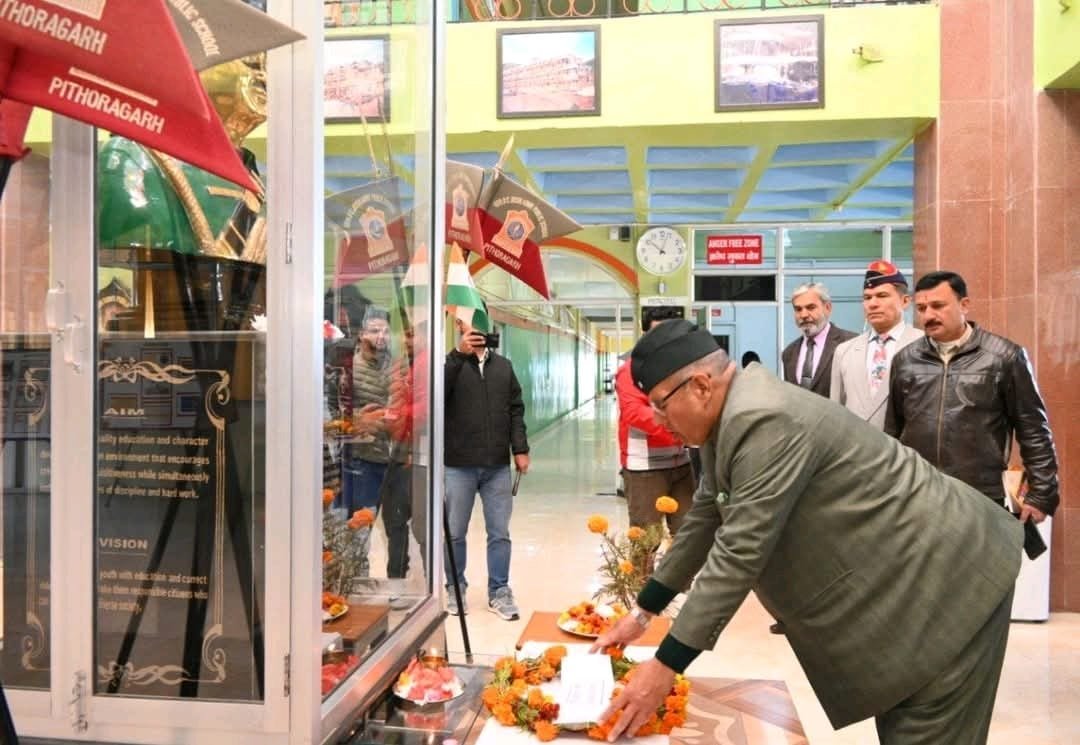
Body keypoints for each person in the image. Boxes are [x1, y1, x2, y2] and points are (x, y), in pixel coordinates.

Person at [591, 320, 1022, 745]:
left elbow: (739, 550)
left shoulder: (765, 418)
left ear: (701, 386)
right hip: (904, 585)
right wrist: (642, 613)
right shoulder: (726, 419)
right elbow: (706, 517)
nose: (657, 418)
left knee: (925, 730)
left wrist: (665, 665)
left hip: (948, 582)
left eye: (661, 404)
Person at [885, 271, 1059, 523]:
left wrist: (1041, 495)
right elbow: (892, 432)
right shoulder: (905, 360)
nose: (928, 315)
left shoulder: (1004, 357)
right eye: (921, 308)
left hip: (981, 496)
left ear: (964, 305)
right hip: (919, 494)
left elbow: (1034, 430)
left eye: (938, 306)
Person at [443, 315, 530, 620]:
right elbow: (437, 397)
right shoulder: (450, 365)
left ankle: (499, 591)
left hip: (497, 466)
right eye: (469, 327)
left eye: (480, 327)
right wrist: (458, 355)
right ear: (460, 329)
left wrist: (520, 449)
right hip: (459, 465)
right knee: (455, 532)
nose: (476, 333)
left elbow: (516, 410)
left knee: (499, 532)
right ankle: (455, 587)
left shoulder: (503, 367)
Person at [615, 306, 694, 535]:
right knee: (647, 540)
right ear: (645, 335)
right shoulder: (630, 370)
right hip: (645, 468)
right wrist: (680, 429)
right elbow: (634, 413)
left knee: (687, 534)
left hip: (682, 462)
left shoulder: (683, 367)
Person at [830, 261, 923, 429]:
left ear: (905, 301)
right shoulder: (844, 351)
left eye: (882, 296)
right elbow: (836, 412)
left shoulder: (924, 345)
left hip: (904, 444)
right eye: (867, 297)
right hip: (856, 444)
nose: (872, 304)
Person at [780, 282, 856, 398]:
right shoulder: (789, 353)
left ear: (828, 308)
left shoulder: (851, 344)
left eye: (811, 307)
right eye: (798, 309)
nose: (804, 315)